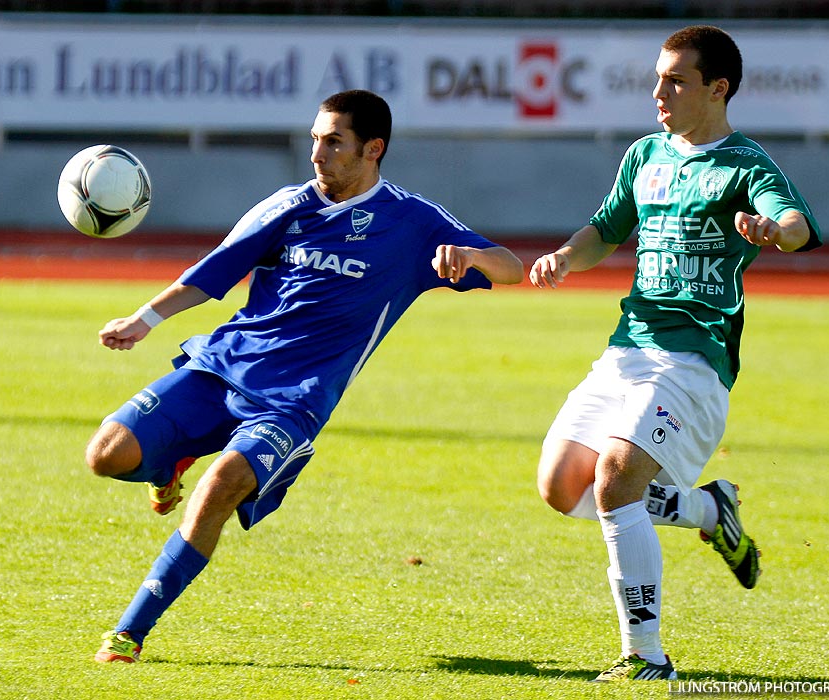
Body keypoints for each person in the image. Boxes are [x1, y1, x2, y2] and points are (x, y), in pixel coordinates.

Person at [87, 89, 524, 663]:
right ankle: (168, 462)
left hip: (294, 403)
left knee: (219, 489)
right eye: (315, 138)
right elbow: (213, 272)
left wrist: (470, 258)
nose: (317, 153)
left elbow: (512, 266)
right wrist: (144, 320)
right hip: (223, 365)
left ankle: (130, 632)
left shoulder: (412, 222)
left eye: (333, 141)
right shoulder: (287, 205)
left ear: (373, 149)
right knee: (106, 454)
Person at [529, 25, 821, 682]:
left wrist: (774, 231)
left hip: (692, 362)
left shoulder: (745, 165)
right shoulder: (644, 155)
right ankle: (710, 510)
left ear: (716, 90)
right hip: (627, 351)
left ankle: (646, 657)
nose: (658, 92)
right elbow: (607, 228)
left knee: (614, 480)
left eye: (675, 80)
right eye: (658, 78)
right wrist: (564, 259)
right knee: (559, 488)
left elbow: (797, 226)